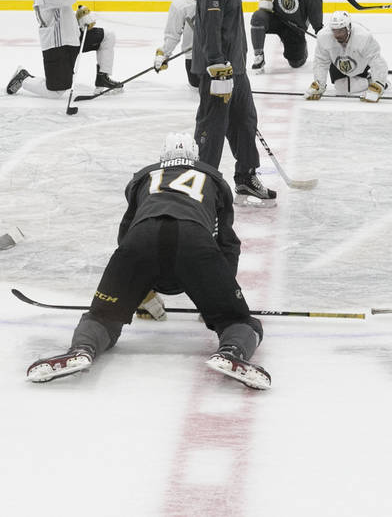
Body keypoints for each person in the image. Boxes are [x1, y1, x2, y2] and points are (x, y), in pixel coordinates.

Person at [26, 132, 270, 389]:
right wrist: (219, 296)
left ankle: (82, 349)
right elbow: (226, 243)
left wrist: (140, 291)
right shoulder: (214, 180)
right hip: (193, 240)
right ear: (196, 157)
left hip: (141, 239)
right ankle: (232, 351)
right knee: (239, 321)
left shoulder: (144, 177)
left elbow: (126, 235)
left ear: (162, 157)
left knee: (102, 317)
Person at [192, 0, 275, 205]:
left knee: (246, 122)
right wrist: (216, 64)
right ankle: (204, 184)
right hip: (219, 71)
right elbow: (211, 28)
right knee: (213, 127)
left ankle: (246, 178)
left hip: (236, 70)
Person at [7, 0, 122, 97]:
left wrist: (79, 19)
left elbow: (61, 13)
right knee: (56, 92)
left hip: (72, 39)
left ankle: (102, 79)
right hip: (58, 46)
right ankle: (23, 78)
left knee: (107, 36)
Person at [250, 0, 323, 72]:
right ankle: (259, 56)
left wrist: (319, 30)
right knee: (258, 17)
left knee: (295, 62)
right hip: (276, 18)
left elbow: (315, 13)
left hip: (294, 28)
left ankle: (302, 51)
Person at [304, 11, 388, 102]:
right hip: (338, 65)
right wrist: (319, 84)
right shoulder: (323, 36)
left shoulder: (363, 37)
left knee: (352, 87)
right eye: (335, 31)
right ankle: (366, 81)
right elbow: (320, 62)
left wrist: (379, 83)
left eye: (341, 31)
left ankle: (370, 79)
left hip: (361, 65)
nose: (338, 35)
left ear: (348, 28)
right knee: (342, 89)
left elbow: (376, 60)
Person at [155, 0, 206, 88]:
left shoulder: (217, 2)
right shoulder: (181, 5)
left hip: (216, 56)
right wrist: (164, 54)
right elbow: (173, 33)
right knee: (197, 85)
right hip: (192, 57)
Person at [73, 4, 124, 90]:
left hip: (65, 38)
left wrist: (82, 19)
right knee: (58, 88)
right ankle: (102, 78)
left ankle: (102, 78)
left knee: (108, 36)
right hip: (66, 40)